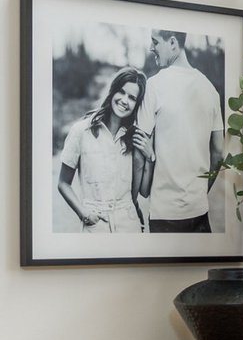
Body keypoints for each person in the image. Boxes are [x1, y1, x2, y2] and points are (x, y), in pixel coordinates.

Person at [138, 28, 223, 234]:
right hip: (199, 210)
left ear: (173, 43)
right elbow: (219, 153)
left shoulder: (154, 85)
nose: (151, 48)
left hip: (164, 215)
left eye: (155, 42)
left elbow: (139, 148)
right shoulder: (210, 89)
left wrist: (141, 192)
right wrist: (200, 193)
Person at [57, 68, 150, 232]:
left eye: (132, 98)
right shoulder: (81, 131)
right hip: (96, 226)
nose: (124, 100)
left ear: (137, 104)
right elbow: (63, 183)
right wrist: (84, 214)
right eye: (121, 92)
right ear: (112, 91)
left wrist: (150, 157)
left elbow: (143, 191)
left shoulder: (135, 137)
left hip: (129, 225)